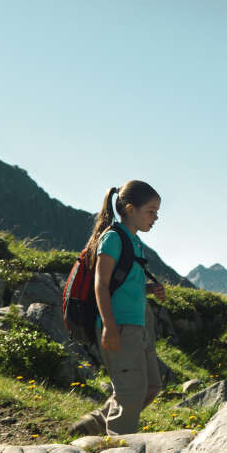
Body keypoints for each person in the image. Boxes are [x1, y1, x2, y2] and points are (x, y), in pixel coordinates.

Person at [72, 181, 166, 436]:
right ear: (129, 208)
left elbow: (121, 285)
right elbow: (100, 285)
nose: (156, 217)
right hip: (119, 327)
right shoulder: (113, 238)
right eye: (151, 211)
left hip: (138, 327)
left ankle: (91, 426)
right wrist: (110, 328)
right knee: (130, 393)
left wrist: (149, 290)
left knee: (150, 386)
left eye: (157, 212)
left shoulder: (134, 242)